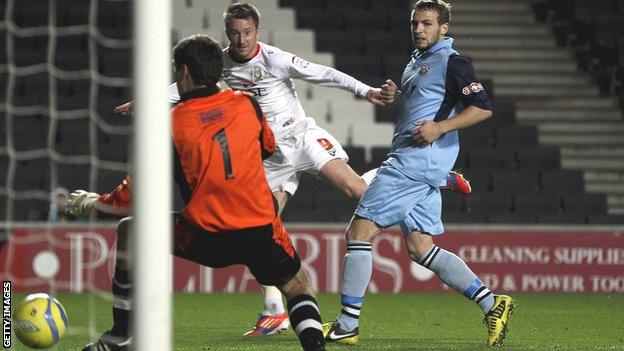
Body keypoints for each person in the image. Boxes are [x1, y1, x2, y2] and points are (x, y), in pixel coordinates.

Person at [113, 2, 472, 336]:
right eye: (235, 32)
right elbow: (183, 87)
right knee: (261, 228)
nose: (241, 39)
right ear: (227, 32)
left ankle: (434, 178)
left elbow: (321, 74)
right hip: (268, 157)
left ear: (257, 31)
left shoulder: (275, 59)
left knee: (359, 193)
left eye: (247, 32)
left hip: (302, 139)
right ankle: (274, 311)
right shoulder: (219, 65)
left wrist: (365, 91)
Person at [71, 34, 326, 351]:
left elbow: (129, 198)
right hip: (260, 230)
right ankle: (315, 346)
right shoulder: (248, 105)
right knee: (297, 284)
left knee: (130, 231)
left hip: (205, 236)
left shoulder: (169, 123)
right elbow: (268, 147)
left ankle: (122, 335)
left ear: (184, 74)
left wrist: (92, 204)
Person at [321, 0, 515, 347]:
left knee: (359, 231)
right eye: (415, 24)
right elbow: (424, 105)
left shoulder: (453, 63)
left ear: (443, 28)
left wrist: (441, 128)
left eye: (427, 24)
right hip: (418, 163)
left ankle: (348, 324)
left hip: (412, 163)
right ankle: (492, 303)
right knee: (421, 248)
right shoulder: (418, 62)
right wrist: (396, 95)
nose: (419, 30)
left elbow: (482, 109)